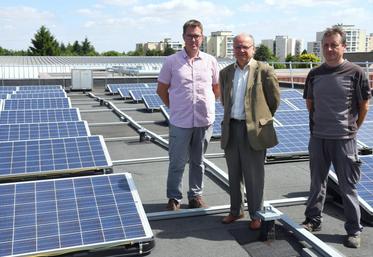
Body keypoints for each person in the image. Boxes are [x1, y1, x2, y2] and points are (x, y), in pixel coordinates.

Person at [302, 26, 371, 248]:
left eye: (334, 45)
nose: (329, 49)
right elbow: (310, 105)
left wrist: (352, 129)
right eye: (326, 45)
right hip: (318, 138)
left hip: (345, 139)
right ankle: (313, 220)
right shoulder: (314, 74)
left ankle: (353, 230)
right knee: (316, 183)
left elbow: (364, 107)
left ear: (344, 46)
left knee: (348, 187)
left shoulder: (356, 72)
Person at [157, 19, 220, 211]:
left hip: (203, 122)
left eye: (197, 36)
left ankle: (195, 196)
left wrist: (207, 105)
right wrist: (174, 107)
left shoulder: (210, 61)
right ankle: (174, 197)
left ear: (202, 38)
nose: (193, 39)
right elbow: (161, 89)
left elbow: (216, 88)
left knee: (198, 162)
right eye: (190, 35)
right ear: (183, 37)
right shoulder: (171, 61)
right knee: (177, 162)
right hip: (180, 122)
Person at [219, 33, 280, 230]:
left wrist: (258, 118)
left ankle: (256, 214)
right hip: (232, 127)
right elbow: (224, 101)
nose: (241, 51)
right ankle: (235, 211)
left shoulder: (264, 70)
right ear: (233, 49)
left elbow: (274, 100)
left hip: (254, 130)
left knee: (254, 176)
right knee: (234, 173)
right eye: (238, 47)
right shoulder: (226, 72)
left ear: (253, 48)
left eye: (245, 47)